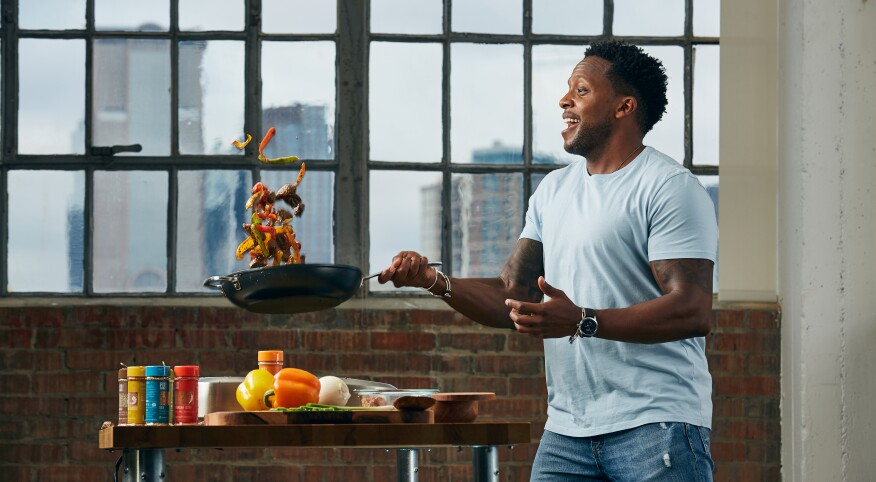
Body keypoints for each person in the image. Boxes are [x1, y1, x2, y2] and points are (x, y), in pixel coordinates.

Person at [378, 40, 717, 481]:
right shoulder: (555, 191)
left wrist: (581, 321)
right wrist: (433, 280)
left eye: (581, 90)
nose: (564, 101)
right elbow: (512, 293)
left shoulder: (668, 187)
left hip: (657, 425)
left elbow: (691, 310)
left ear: (624, 106)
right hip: (568, 431)